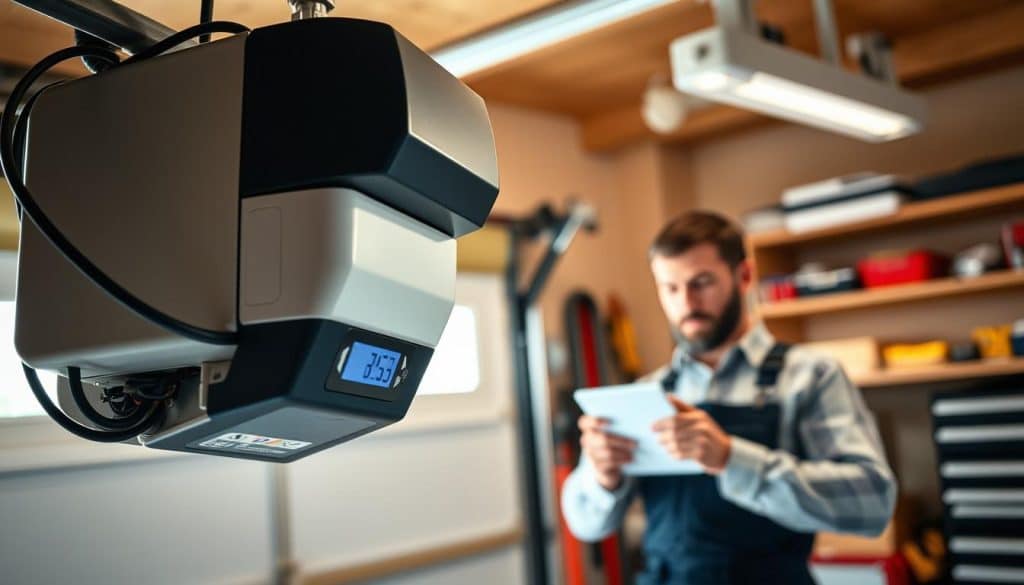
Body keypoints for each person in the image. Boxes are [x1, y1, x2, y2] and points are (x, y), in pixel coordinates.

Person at [561, 211, 896, 585]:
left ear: (745, 277)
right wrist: (602, 476)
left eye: (701, 283)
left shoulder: (809, 376)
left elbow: (872, 503)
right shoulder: (648, 393)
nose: (686, 303)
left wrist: (730, 458)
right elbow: (585, 525)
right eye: (670, 288)